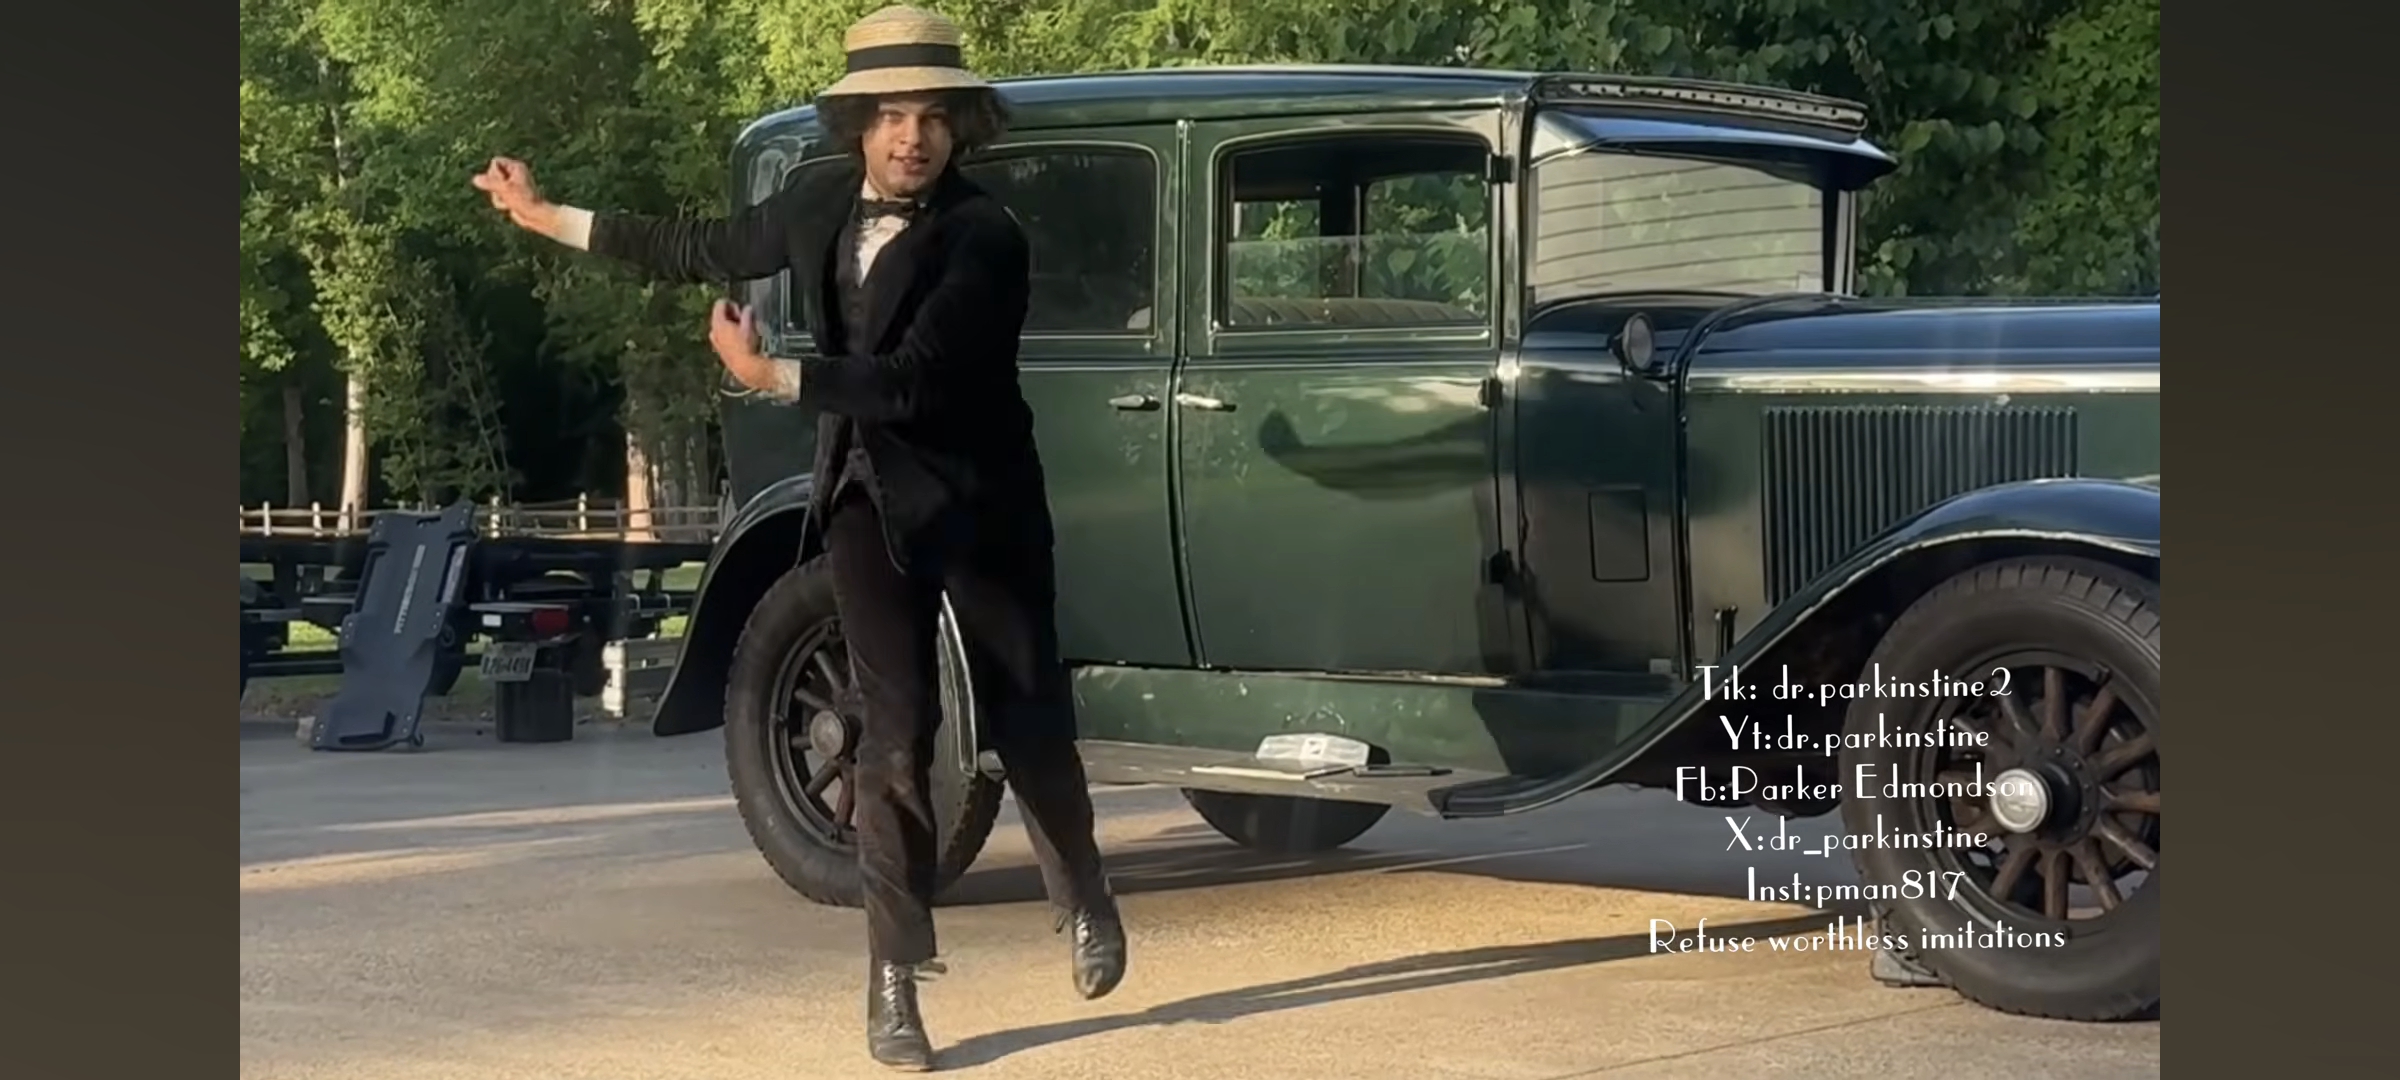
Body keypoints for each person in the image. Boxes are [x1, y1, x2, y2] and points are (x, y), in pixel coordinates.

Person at [469, 5, 1126, 1071]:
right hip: (867, 497)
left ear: (959, 128)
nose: (912, 137)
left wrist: (768, 374)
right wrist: (547, 217)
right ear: (858, 123)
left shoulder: (987, 237)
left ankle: (1084, 896)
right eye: (892, 115)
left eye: (933, 117)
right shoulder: (819, 198)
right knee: (893, 738)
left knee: (1025, 715)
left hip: (982, 502)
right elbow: (702, 246)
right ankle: (894, 979)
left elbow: (911, 383)